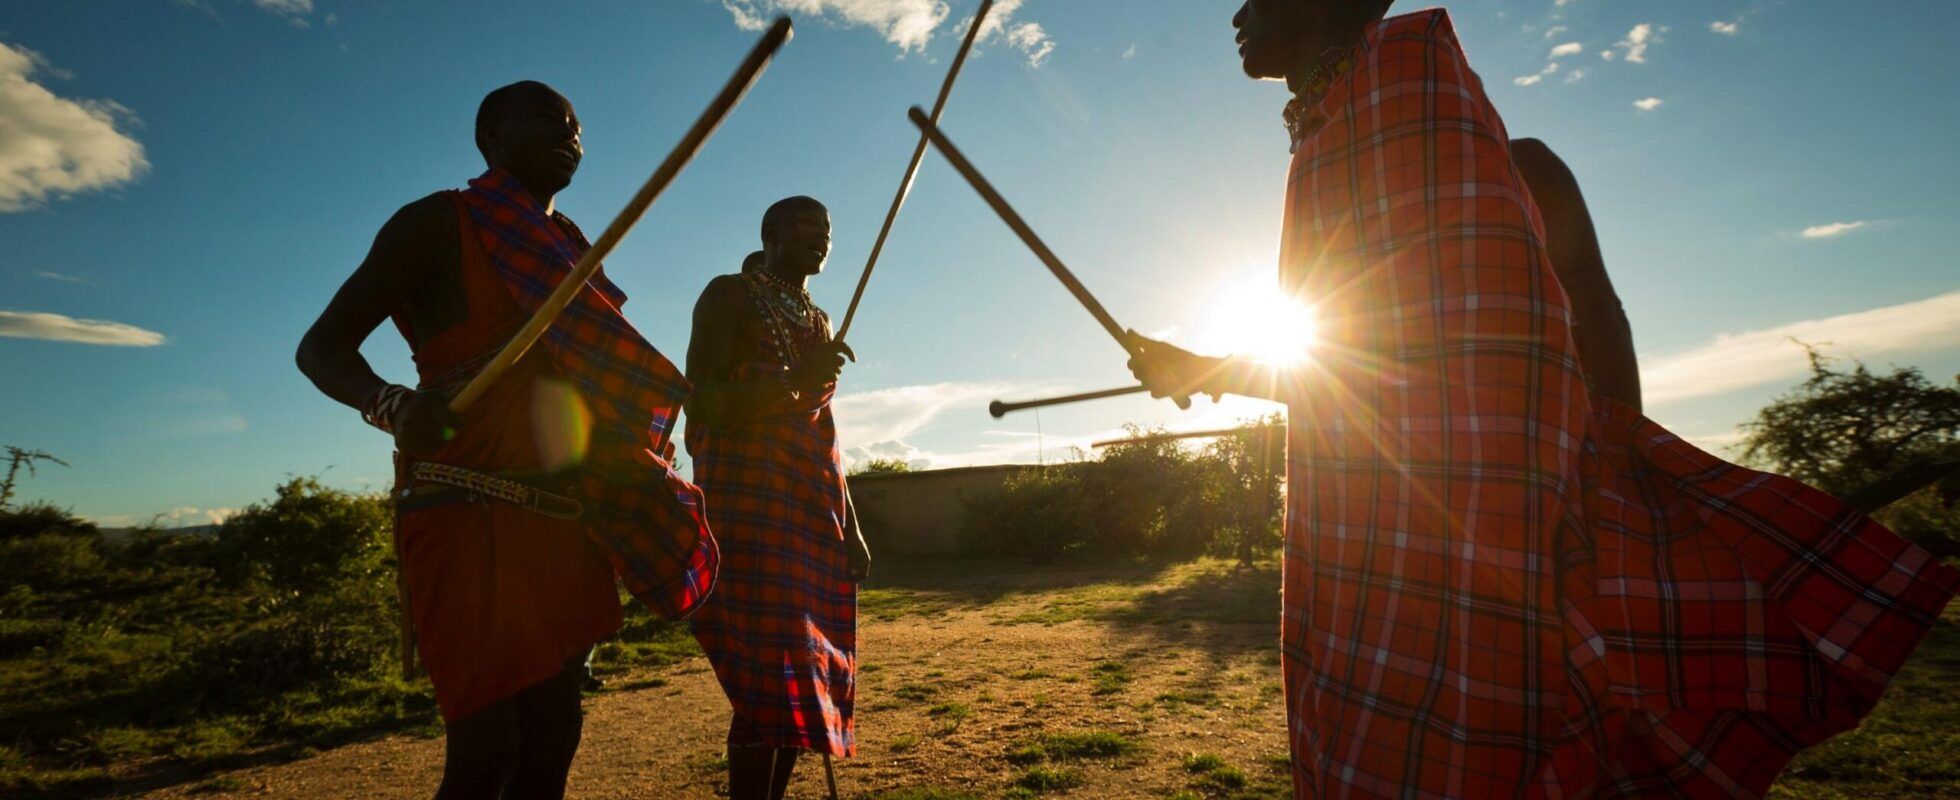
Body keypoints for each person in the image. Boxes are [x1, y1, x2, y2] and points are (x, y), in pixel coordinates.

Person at [1124, 3, 1960, 796]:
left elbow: (1577, 319)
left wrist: (1612, 462)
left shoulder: (1516, 168)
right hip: (1364, 553)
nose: (1238, 16)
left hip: (1517, 535)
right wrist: (1210, 369)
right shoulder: (1324, 173)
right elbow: (1366, 382)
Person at [295, 80, 716, 798]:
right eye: (545, 119)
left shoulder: (572, 248)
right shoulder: (436, 223)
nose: (567, 133)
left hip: (564, 520)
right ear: (489, 138)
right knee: (486, 752)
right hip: (466, 515)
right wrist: (390, 402)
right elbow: (321, 348)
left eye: (576, 125)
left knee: (551, 743)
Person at [684, 196, 870, 800]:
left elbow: (824, 430)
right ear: (771, 233)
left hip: (807, 504)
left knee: (802, 668)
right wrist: (793, 382)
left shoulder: (817, 320)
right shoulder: (728, 296)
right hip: (747, 503)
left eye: (828, 231)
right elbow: (703, 401)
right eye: (806, 227)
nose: (820, 239)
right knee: (767, 671)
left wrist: (853, 523)